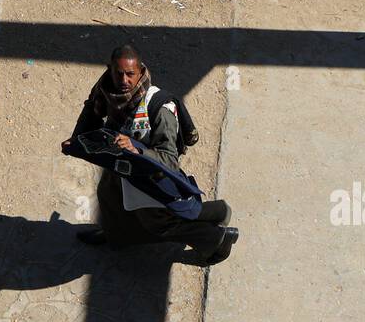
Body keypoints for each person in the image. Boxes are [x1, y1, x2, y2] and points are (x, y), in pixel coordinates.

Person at [60, 44, 237, 264]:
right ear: (110, 70)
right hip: (120, 163)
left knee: (159, 222)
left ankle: (217, 239)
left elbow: (169, 160)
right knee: (108, 195)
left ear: (141, 72)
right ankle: (113, 235)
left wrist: (137, 150)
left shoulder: (160, 109)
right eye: (119, 73)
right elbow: (91, 110)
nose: (124, 80)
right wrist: (77, 139)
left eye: (130, 74)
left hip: (151, 173)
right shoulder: (106, 89)